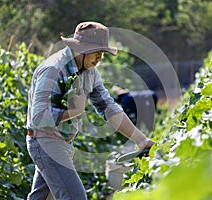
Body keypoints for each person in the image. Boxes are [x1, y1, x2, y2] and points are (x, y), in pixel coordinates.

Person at [26, 21, 155, 200]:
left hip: (63, 143)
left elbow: (108, 107)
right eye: (98, 52)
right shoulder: (53, 70)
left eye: (103, 52)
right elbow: (38, 117)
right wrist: (74, 110)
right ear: (82, 48)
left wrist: (141, 140)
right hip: (45, 142)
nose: (100, 57)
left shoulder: (90, 72)